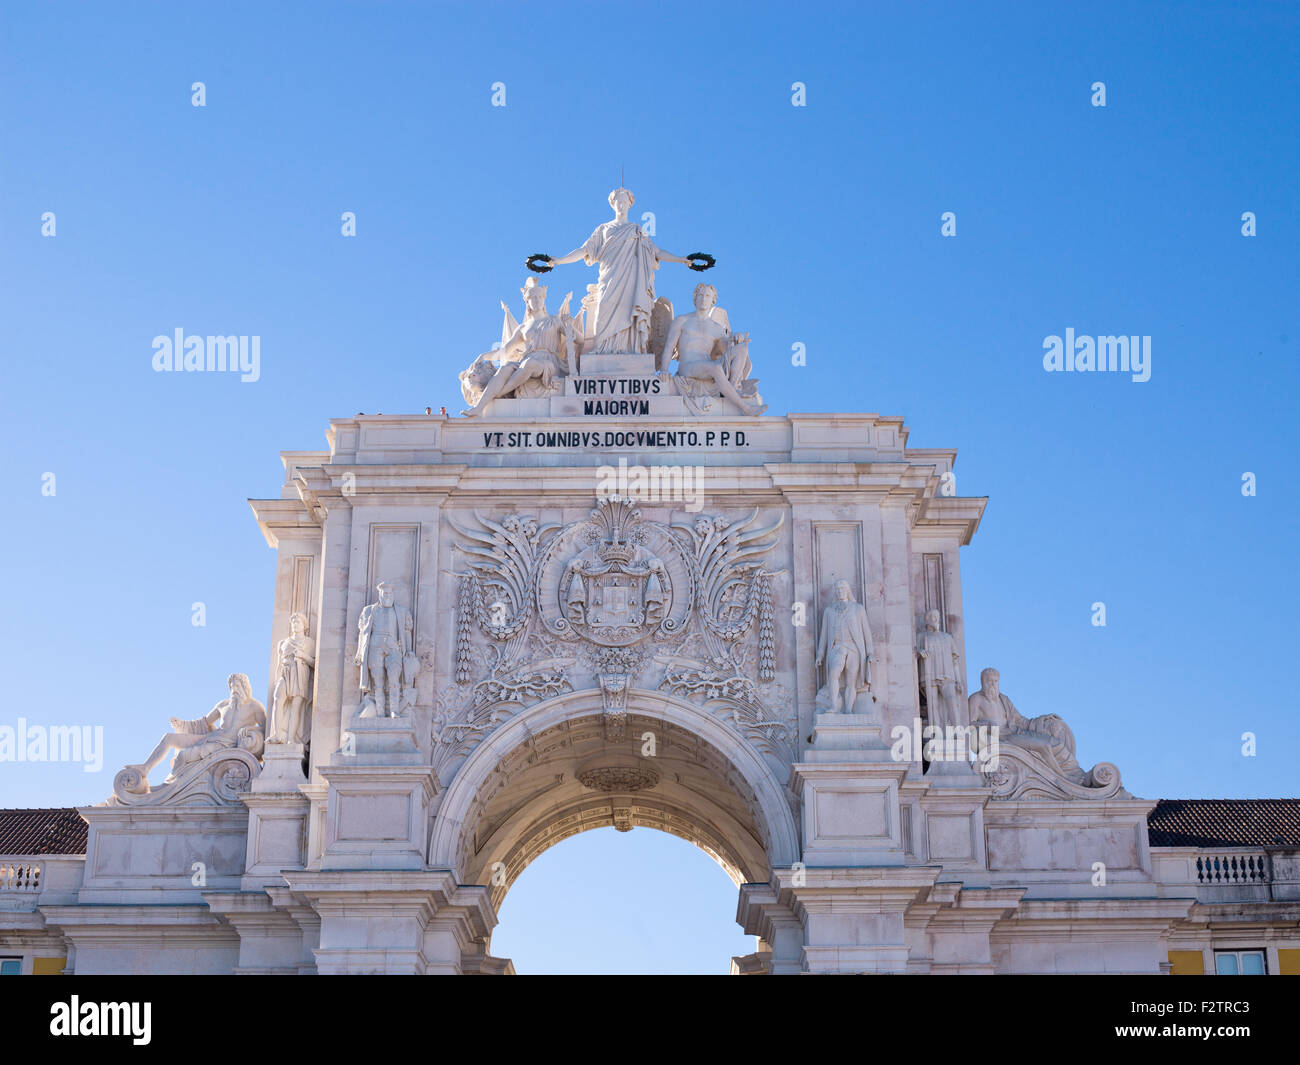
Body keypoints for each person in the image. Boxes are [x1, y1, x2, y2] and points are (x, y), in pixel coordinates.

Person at [544, 188, 697, 354]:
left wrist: (681, 259)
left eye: (625, 202)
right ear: (613, 203)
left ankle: (632, 350)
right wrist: (559, 260)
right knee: (603, 311)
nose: (622, 205)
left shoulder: (637, 230)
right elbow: (583, 251)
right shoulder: (603, 229)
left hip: (631, 280)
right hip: (608, 278)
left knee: (629, 312)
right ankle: (601, 349)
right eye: (619, 201)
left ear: (630, 205)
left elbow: (657, 252)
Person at [815, 580, 875, 713]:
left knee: (850, 682)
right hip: (837, 647)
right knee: (833, 673)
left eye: (842, 589)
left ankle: (848, 710)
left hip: (854, 648)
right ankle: (833, 705)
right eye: (837, 589)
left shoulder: (858, 608)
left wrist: (870, 652)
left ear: (847, 590)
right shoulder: (829, 611)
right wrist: (820, 654)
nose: (840, 591)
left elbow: (866, 632)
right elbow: (824, 635)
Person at [270, 612, 315, 745]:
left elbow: (314, 663)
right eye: (293, 622)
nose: (295, 625)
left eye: (298, 622)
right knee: (277, 701)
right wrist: (277, 678)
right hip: (285, 673)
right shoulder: (283, 643)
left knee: (296, 707)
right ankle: (276, 735)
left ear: (304, 625)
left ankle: (291, 739)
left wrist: (302, 655)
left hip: (300, 672)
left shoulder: (309, 642)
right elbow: (279, 664)